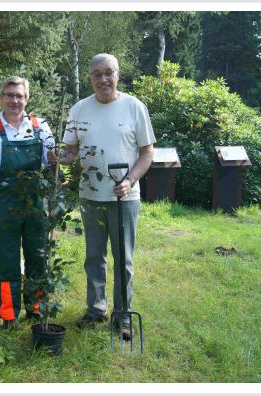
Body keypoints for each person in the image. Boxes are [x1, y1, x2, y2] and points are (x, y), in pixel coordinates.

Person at [52, 53, 155, 339]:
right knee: (94, 257)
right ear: (90, 78)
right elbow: (71, 152)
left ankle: (122, 314)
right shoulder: (79, 110)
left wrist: (130, 179)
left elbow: (147, 153)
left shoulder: (134, 107)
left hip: (125, 198)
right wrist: (59, 157)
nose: (103, 79)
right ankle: (96, 309)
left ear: (118, 74)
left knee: (123, 259)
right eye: (97, 74)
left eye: (108, 73)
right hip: (91, 197)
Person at [0, 76, 56, 328]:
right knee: (7, 263)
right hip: (4, 206)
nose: (14, 100)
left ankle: (37, 309)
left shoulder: (41, 126)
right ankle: (9, 316)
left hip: (36, 204)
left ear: (27, 99)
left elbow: (53, 165)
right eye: (9, 95)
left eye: (20, 96)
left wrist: (56, 170)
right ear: (1, 98)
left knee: (38, 259)